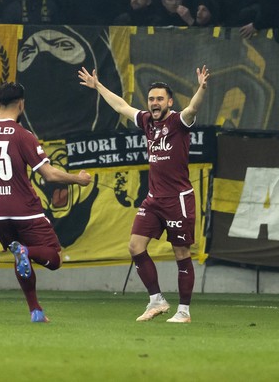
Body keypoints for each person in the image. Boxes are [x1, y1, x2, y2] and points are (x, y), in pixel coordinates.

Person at [78, 65, 210, 323]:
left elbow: (193, 108)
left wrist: (201, 89)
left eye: (160, 99)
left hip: (178, 199)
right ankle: (156, 300)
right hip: (154, 199)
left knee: (181, 253)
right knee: (135, 246)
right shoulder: (147, 121)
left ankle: (184, 311)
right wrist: (98, 86)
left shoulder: (178, 121)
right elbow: (121, 106)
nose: (155, 103)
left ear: (170, 101)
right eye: (151, 99)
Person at [0, 82, 91, 323]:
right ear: (21, 104)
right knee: (54, 258)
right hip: (24, 210)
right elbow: (48, 174)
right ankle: (25, 251)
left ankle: (36, 311)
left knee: (20, 258)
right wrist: (78, 180)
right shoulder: (23, 135)